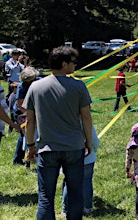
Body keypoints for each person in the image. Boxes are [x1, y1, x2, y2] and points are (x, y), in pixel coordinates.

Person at [24, 46, 93, 220]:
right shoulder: (78, 86)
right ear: (64, 64)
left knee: (45, 198)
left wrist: (30, 145)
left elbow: (29, 121)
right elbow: (86, 118)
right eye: (73, 62)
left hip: (47, 148)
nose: (75, 65)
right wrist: (89, 143)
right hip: (74, 148)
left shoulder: (35, 87)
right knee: (75, 194)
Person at [62, 123, 100, 217]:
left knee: (68, 183)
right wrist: (94, 150)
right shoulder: (85, 120)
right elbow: (94, 140)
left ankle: (65, 209)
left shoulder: (62, 120)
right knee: (86, 182)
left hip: (68, 156)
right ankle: (87, 209)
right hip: (87, 157)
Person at [12, 67, 40, 167]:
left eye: (32, 80)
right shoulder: (22, 87)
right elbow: (20, 104)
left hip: (35, 111)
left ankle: (32, 159)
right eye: (27, 81)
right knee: (25, 134)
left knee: (34, 135)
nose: (30, 83)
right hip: (22, 113)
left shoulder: (39, 81)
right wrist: (31, 115)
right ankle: (20, 159)